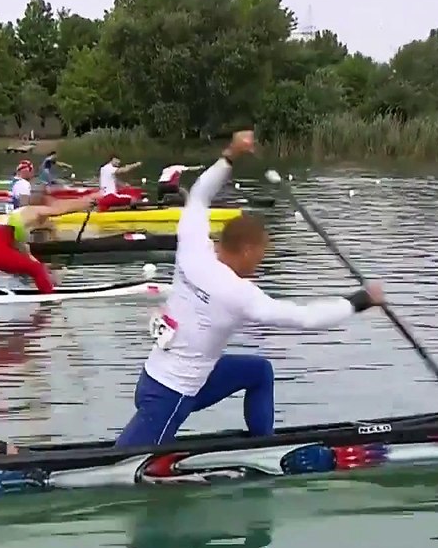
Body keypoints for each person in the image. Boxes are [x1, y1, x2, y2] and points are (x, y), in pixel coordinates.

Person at [114, 130, 385, 449]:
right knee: (122, 463)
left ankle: (263, 446)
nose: (259, 264)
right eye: (260, 256)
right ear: (246, 251)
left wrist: (230, 155)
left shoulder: (194, 248)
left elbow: (199, 195)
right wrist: (360, 300)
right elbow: (306, 318)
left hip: (160, 376)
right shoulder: (237, 294)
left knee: (258, 372)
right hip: (171, 394)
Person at [0, 191, 102, 295]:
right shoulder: (33, 210)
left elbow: (28, 257)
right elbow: (59, 210)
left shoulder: (16, 223)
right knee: (36, 270)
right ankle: (50, 299)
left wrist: (47, 271)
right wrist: (84, 204)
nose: (48, 219)